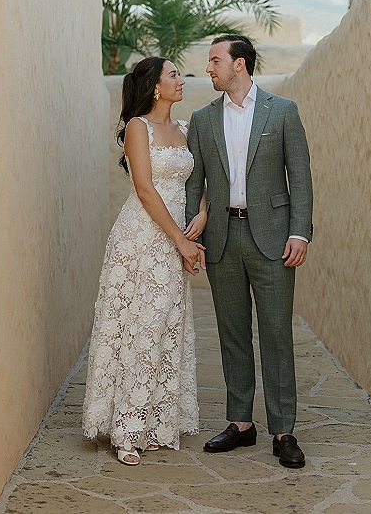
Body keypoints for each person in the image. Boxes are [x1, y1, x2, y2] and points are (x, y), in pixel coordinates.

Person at [185, 35, 312, 469]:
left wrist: (299, 233)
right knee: (232, 332)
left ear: (239, 64)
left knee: (276, 333)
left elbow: (300, 176)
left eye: (215, 60)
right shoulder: (202, 119)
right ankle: (241, 423)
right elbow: (194, 183)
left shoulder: (283, 111)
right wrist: (192, 237)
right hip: (222, 237)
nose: (209, 68)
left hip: (274, 239)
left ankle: (283, 430)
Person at [82, 57, 207, 466]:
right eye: (173, 74)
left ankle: (154, 423)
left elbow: (202, 182)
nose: (181, 80)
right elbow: (145, 189)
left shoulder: (187, 129)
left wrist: (202, 215)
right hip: (142, 237)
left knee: (166, 326)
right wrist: (181, 241)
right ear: (155, 86)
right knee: (140, 327)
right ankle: (126, 429)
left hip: (175, 238)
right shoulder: (139, 127)